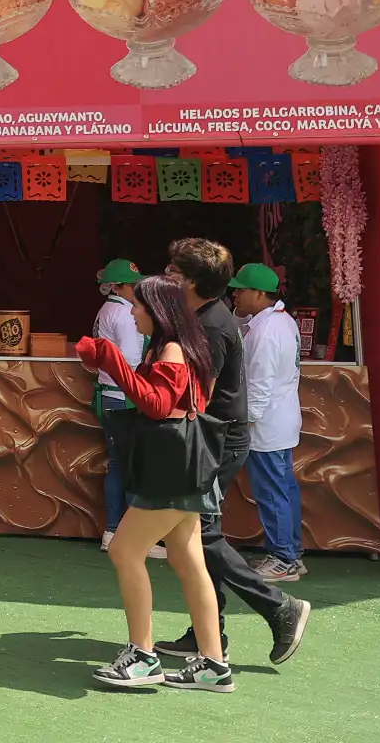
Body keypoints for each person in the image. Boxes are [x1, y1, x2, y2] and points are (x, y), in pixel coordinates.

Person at [156, 238, 311, 668]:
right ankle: (209, 632)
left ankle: (279, 607)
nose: (168, 278)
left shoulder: (212, 324)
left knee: (199, 534)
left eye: (175, 273)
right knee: (193, 535)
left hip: (217, 441)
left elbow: (197, 393)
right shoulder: (208, 317)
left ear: (193, 281)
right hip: (216, 438)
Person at [77, 274, 231, 692]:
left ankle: (143, 656)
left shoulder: (173, 350)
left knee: (126, 549)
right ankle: (213, 664)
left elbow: (158, 404)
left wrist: (112, 362)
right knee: (187, 559)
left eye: (138, 306)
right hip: (186, 464)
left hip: (172, 467)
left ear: (157, 311)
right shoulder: (183, 347)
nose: (131, 312)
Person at [231, 262, 306, 584]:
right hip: (279, 420)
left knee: (272, 491)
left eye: (241, 289)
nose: (235, 294)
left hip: (265, 425)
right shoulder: (277, 321)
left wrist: (243, 423)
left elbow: (259, 386)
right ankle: (291, 553)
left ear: (260, 293)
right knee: (283, 488)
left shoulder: (266, 330)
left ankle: (283, 558)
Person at [91, 259, 163, 557]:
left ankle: (115, 531)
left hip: (111, 394)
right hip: (123, 397)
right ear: (117, 286)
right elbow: (133, 361)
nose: (137, 290)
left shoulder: (109, 309)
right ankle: (132, 537)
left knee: (120, 465)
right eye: (132, 285)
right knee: (131, 467)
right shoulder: (123, 313)